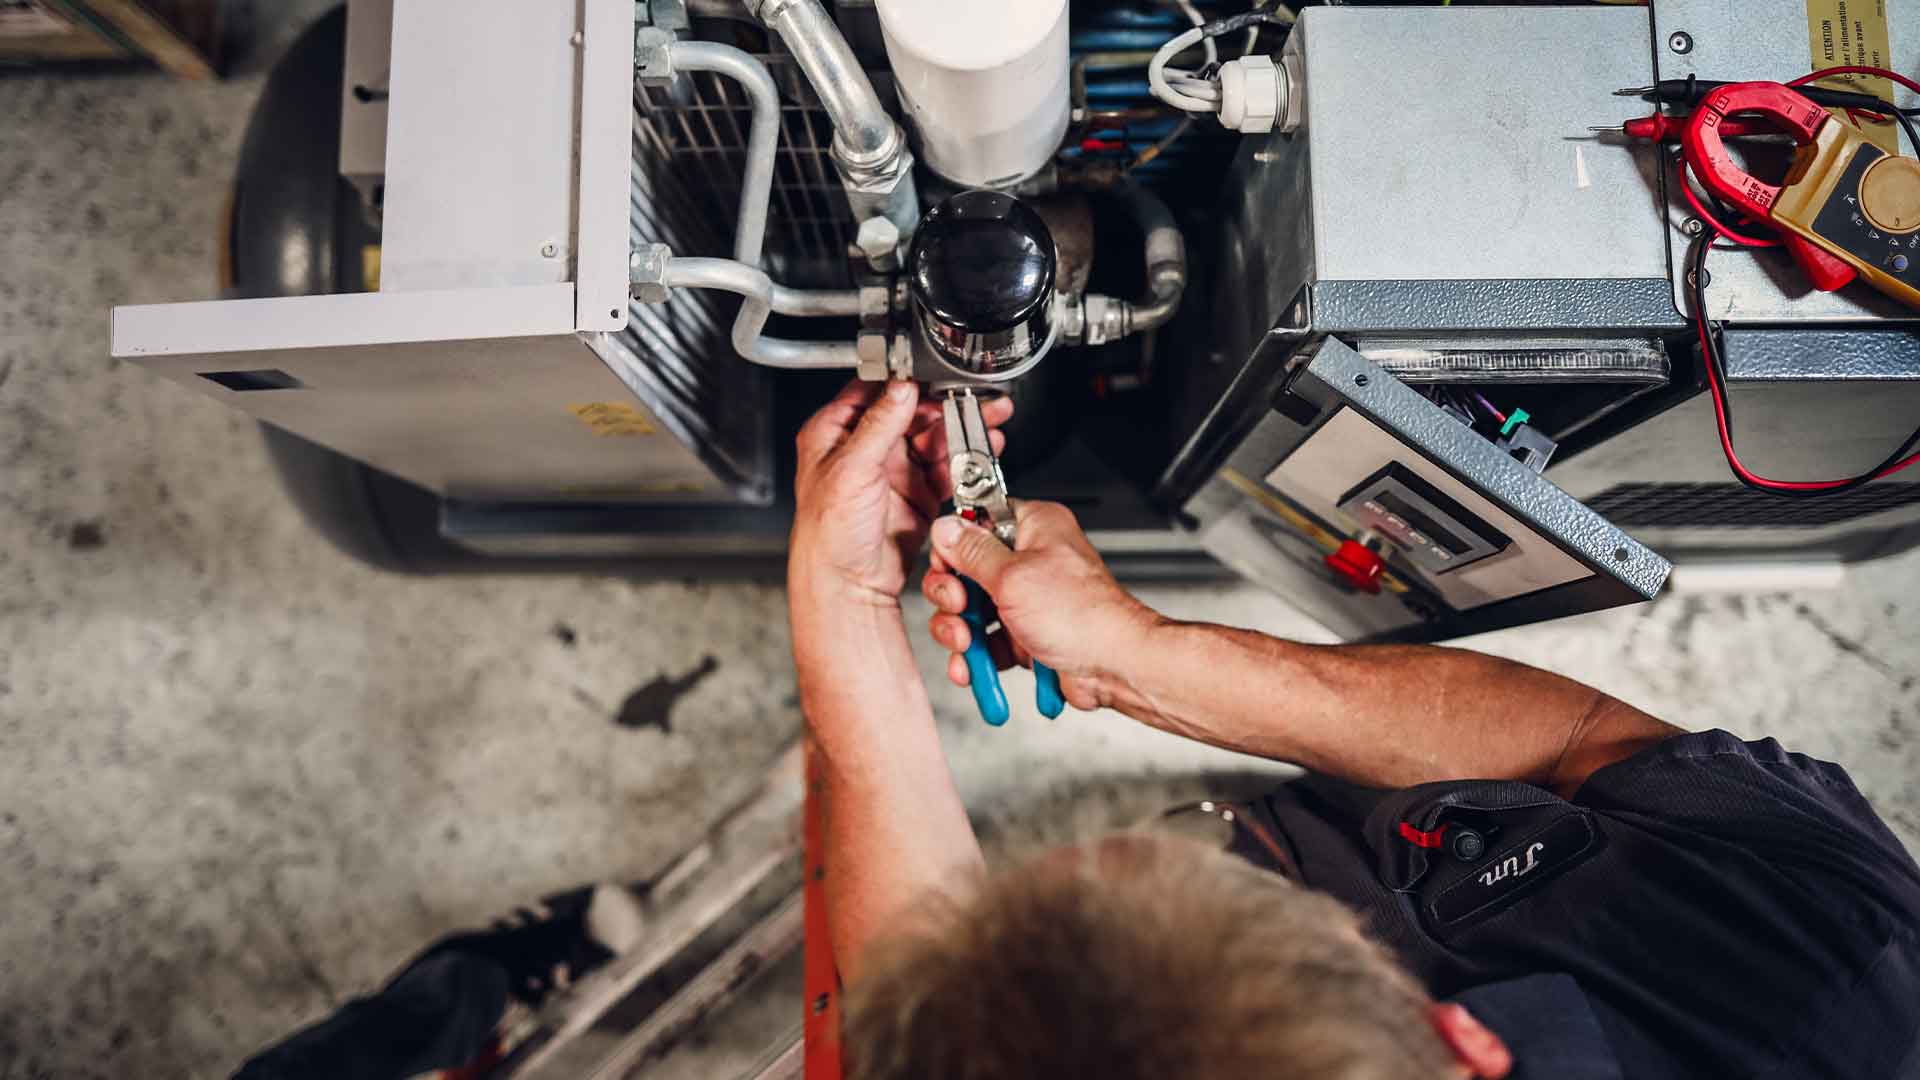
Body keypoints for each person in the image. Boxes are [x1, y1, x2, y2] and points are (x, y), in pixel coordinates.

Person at [788, 379, 1920, 1079]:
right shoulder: (1830, 955)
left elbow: (911, 999)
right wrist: (1137, 656)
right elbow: (1583, 743)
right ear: (1465, 1046)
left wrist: (838, 599)